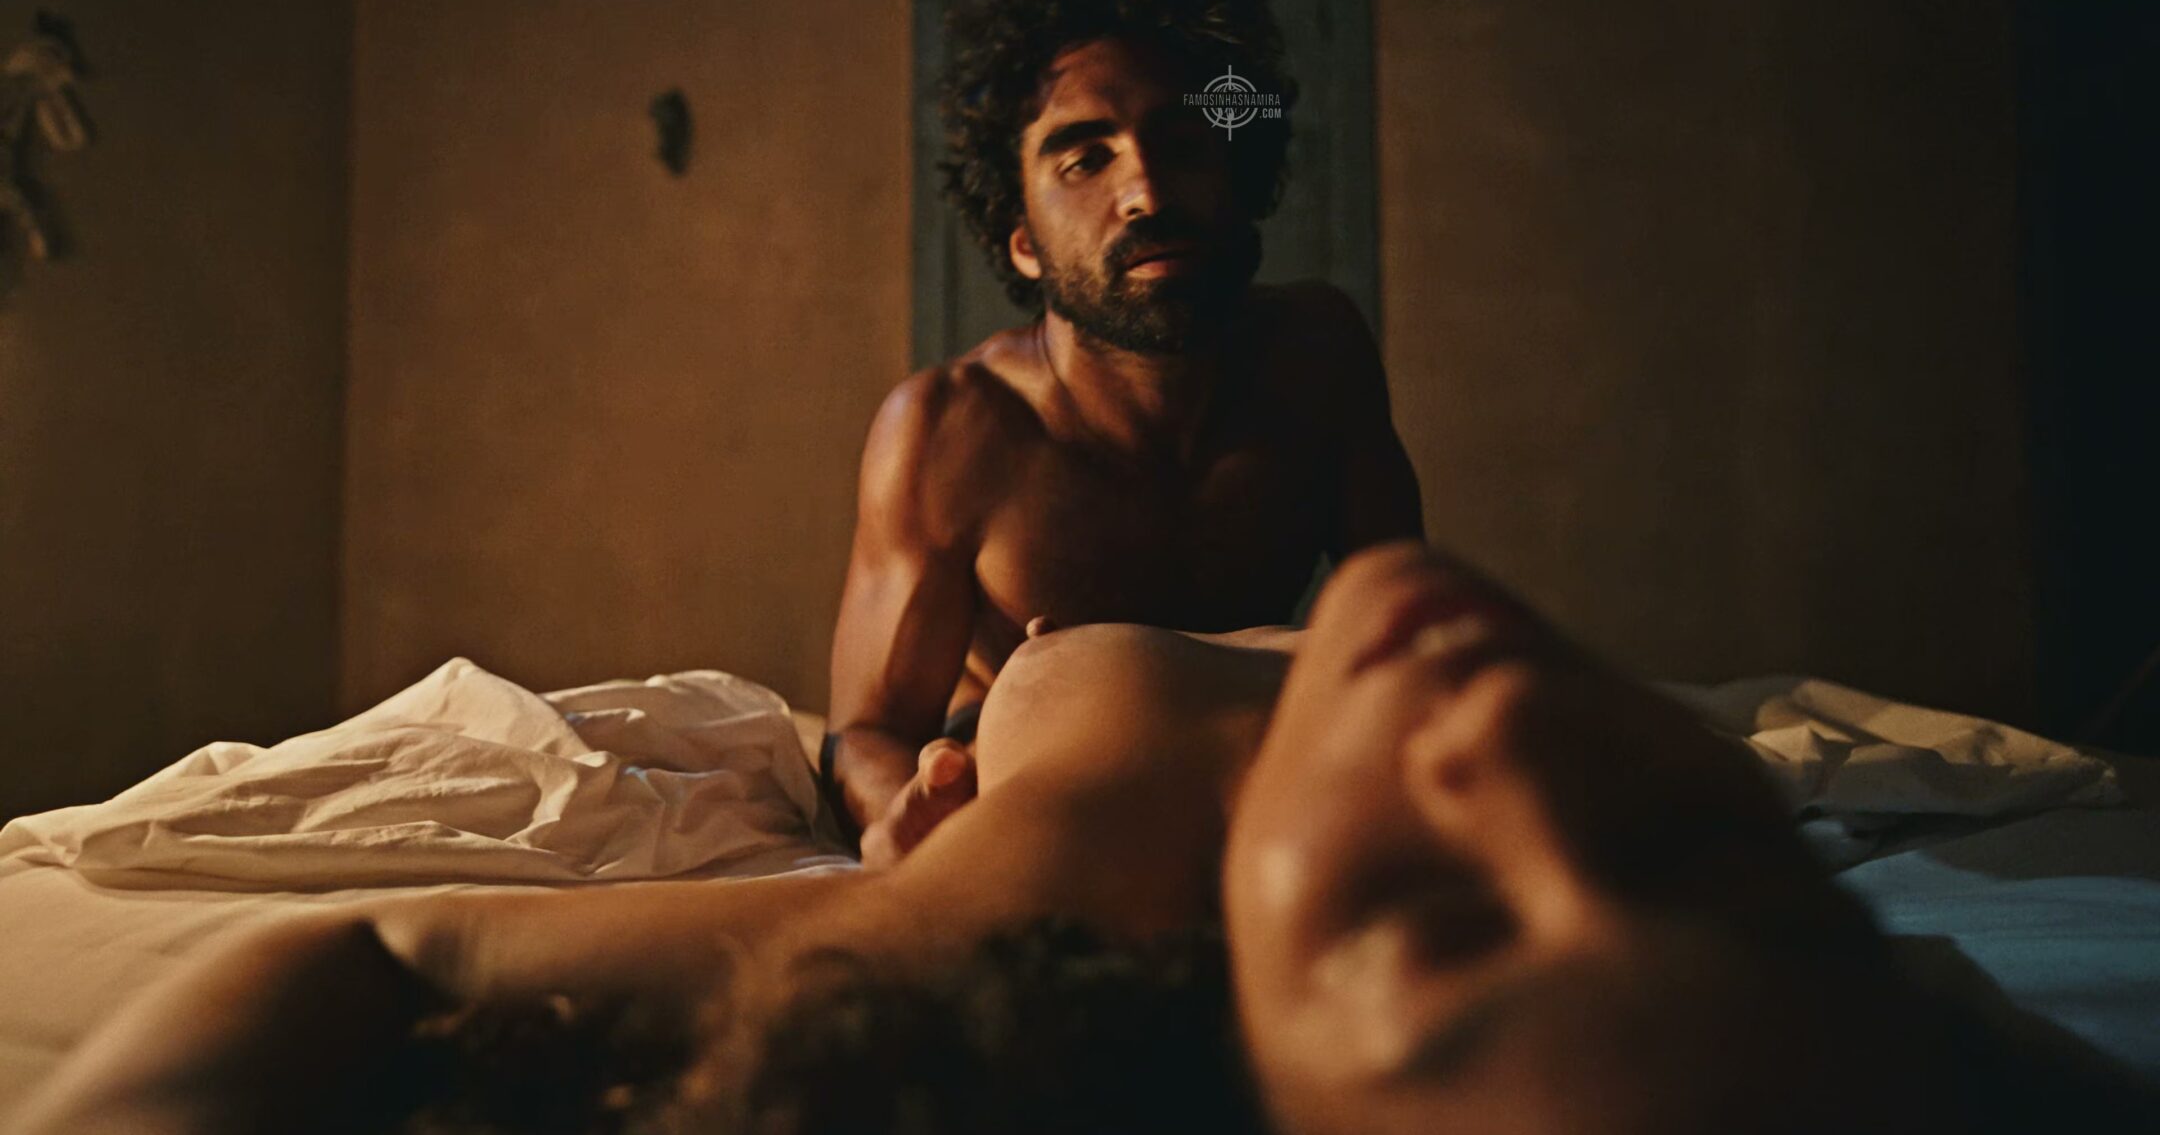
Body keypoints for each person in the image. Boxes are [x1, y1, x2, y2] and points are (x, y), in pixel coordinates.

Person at [16, 544, 2154, 1133]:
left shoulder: (1020, 948)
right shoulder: (1819, 1033)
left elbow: (371, 958)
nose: (1513, 745)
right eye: (1692, 859)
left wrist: (915, 830)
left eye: (1434, 906)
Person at [825, 0, 1424, 866]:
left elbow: (1408, 628)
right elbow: (864, 732)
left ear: (1237, 178)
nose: (1146, 189)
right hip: (1041, 787)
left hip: (1252, 768)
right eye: (1084, 159)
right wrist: (908, 812)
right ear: (1024, 242)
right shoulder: (952, 429)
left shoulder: (1319, 356)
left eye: (1182, 141)